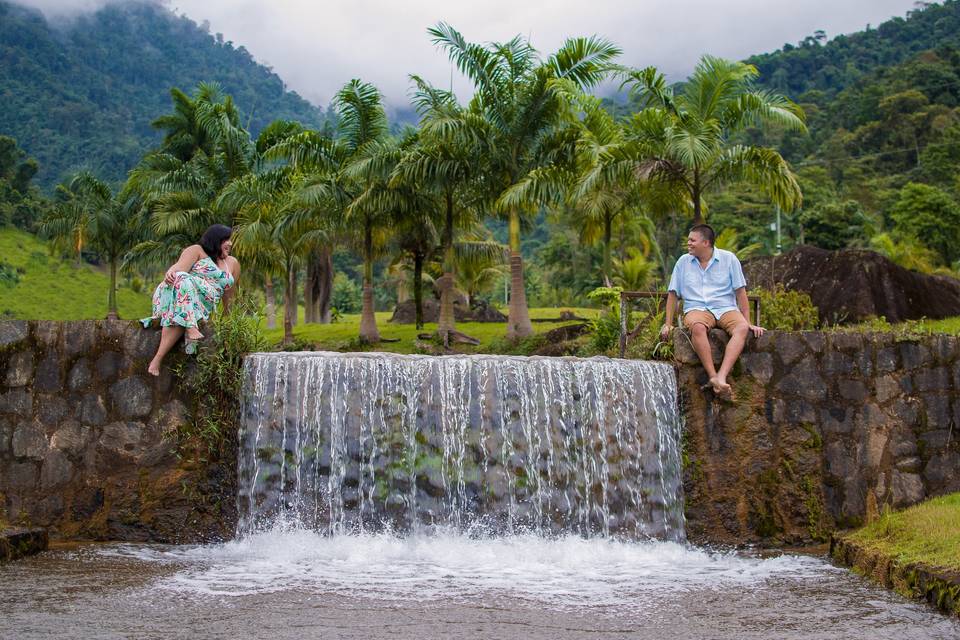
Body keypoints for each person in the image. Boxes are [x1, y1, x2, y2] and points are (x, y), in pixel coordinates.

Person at [660, 224, 764, 396]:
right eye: (689, 240)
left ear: (706, 243)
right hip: (697, 309)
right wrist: (667, 324)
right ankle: (713, 376)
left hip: (725, 308)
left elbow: (741, 293)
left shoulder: (729, 259)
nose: (689, 244)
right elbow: (672, 294)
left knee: (742, 328)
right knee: (698, 327)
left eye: (692, 240)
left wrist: (748, 322)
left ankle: (722, 376)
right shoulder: (683, 262)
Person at [142, 224, 240, 376]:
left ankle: (158, 358)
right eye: (226, 239)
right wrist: (170, 272)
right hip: (177, 295)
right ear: (216, 240)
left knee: (183, 309)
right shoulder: (196, 250)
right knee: (182, 278)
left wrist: (229, 322)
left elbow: (229, 296)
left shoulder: (233, 263)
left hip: (203, 304)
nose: (230, 243)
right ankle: (189, 327)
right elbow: (178, 268)